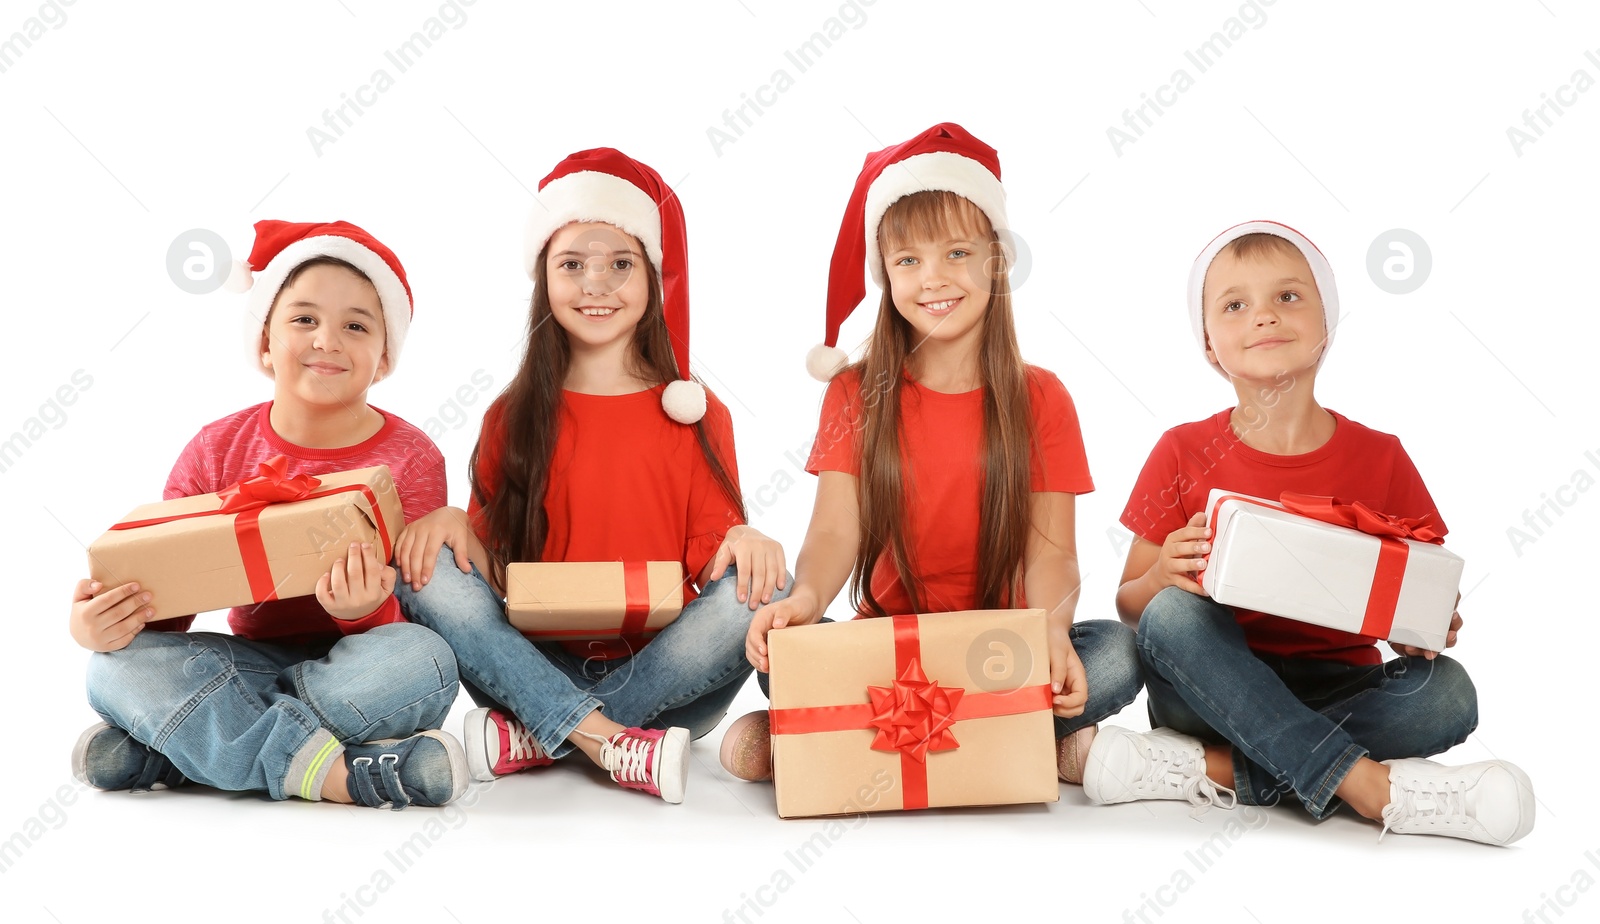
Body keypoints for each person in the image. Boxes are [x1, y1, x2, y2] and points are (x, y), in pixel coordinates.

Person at [1085, 220, 1535, 846]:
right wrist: (1162, 575)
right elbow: (1133, 607)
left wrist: (1424, 627)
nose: (1264, 317)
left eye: (1288, 297)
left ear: (1328, 326)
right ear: (1211, 345)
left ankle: (1211, 769)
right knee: (1171, 618)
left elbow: (1421, 594)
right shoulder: (1183, 451)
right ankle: (1369, 786)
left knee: (1448, 694)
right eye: (1236, 305)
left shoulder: (1382, 458)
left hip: (1341, 684)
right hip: (1211, 685)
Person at [723, 123, 1142, 785]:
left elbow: (1052, 552)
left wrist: (1055, 632)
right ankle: (1020, 741)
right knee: (781, 641)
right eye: (908, 261)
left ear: (995, 261)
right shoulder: (855, 392)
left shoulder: (1042, 397)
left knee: (1116, 652)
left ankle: (843, 736)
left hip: (999, 652)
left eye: (956, 253)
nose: (933, 279)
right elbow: (835, 529)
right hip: (890, 646)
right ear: (885, 275)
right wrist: (804, 601)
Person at [394, 149, 788, 804]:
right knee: (424, 566)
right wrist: (453, 523)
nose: (596, 284)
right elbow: (490, 574)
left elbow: (717, 567)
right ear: (544, 280)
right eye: (572, 265)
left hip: (667, 685)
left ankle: (549, 732)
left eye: (620, 265)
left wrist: (746, 538)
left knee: (772, 585)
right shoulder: (510, 415)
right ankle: (607, 739)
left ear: (653, 279)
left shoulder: (695, 413)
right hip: (529, 666)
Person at [71, 220, 467, 810]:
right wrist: (108, 624)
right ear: (263, 343)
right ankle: (340, 773)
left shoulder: (409, 458)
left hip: (356, 667)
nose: (327, 340)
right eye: (304, 319)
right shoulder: (216, 449)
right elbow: (171, 605)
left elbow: (416, 610)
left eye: (355, 326)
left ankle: (184, 749)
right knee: (113, 670)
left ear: (383, 358)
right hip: (250, 661)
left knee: (428, 660)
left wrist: (363, 614)